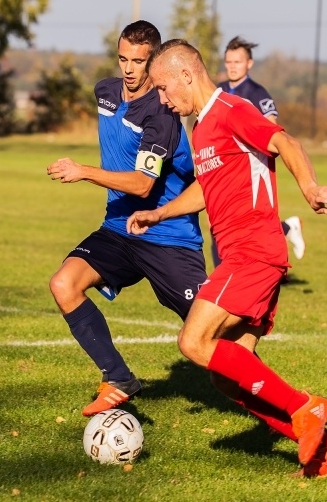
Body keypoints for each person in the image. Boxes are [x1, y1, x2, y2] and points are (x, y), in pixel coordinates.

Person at [127, 39, 327, 477]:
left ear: (186, 76)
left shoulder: (232, 110)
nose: (160, 97)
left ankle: (306, 408)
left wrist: (308, 188)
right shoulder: (201, 130)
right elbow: (205, 189)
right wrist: (159, 212)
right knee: (223, 375)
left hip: (252, 253)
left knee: (192, 343)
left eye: (161, 87)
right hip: (244, 256)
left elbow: (284, 141)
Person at [47, 21, 206, 417]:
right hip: (118, 227)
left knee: (209, 336)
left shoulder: (162, 114)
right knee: (64, 283)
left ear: (154, 62)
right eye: (123, 59)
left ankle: (280, 404)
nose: (129, 69)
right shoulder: (104, 92)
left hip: (166, 235)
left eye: (138, 61)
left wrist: (84, 170)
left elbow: (140, 184)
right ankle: (118, 377)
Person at [209, 36, 305, 266]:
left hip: (249, 167)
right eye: (229, 61)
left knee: (249, 220)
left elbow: (272, 128)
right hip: (222, 165)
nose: (232, 66)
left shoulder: (257, 93)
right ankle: (225, 272)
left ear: (249, 64)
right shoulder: (218, 91)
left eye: (237, 62)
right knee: (219, 219)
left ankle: (226, 273)